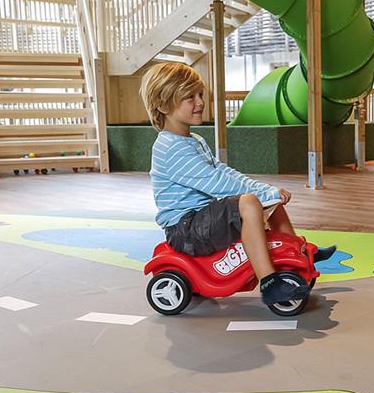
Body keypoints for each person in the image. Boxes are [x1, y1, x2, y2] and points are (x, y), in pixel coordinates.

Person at [141, 62, 335, 306]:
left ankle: (296, 249)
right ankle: (269, 283)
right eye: (190, 97)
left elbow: (223, 171)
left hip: (200, 219)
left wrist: (266, 191)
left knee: (267, 199)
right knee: (251, 202)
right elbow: (216, 183)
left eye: (200, 94)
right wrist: (261, 194)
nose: (200, 102)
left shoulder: (193, 139)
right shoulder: (172, 148)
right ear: (163, 105)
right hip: (186, 229)